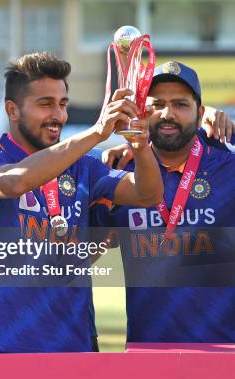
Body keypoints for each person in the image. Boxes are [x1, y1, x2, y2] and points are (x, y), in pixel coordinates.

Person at [0, 52, 164, 353]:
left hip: (74, 346)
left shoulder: (83, 167)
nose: (57, 115)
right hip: (3, 345)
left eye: (63, 104)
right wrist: (96, 133)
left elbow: (147, 194)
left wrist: (140, 144)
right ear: (12, 110)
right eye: (45, 104)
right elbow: (17, 181)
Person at [91, 61, 235, 345]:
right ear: (142, 112)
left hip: (225, 351)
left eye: (181, 104)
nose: (168, 114)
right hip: (147, 352)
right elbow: (80, 256)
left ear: (201, 112)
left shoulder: (228, 167)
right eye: (157, 104)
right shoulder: (119, 173)